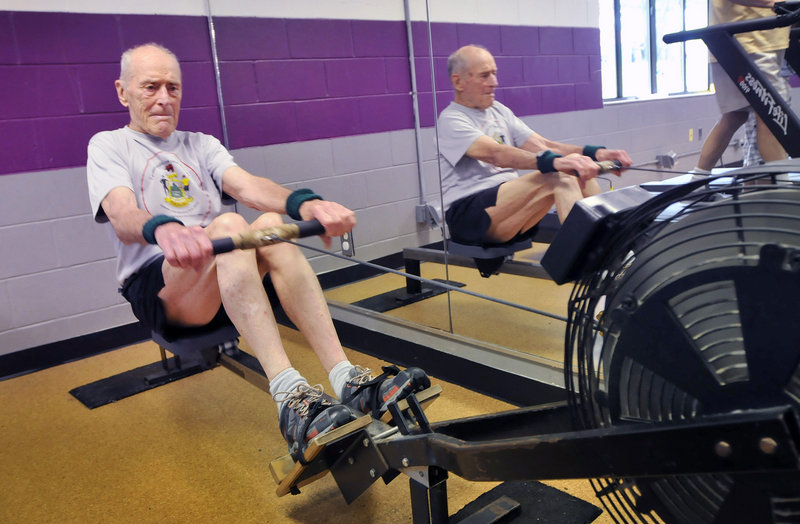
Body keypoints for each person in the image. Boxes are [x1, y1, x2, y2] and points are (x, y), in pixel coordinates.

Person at [87, 43, 429, 458]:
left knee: (269, 226)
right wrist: (163, 229)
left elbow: (246, 185)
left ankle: (347, 380)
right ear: (123, 92)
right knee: (231, 225)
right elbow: (121, 213)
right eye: (150, 87)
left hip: (222, 271)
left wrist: (305, 204)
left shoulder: (200, 144)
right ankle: (290, 399)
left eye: (173, 88)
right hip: (161, 289)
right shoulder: (109, 145)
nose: (164, 99)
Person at [437, 45, 633, 250]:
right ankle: (589, 257)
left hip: (506, 207)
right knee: (559, 176)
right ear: (458, 82)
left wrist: (594, 153)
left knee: (578, 172)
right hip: (469, 217)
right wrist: (554, 163)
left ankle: (618, 246)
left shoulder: (498, 111)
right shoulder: (451, 119)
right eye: (484, 76)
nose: (494, 83)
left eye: (494, 74)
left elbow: (543, 145)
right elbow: (496, 154)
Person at [695, 0, 790, 172]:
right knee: (771, 113)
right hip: (748, 42)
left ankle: (698, 178)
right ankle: (781, 183)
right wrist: (773, 3)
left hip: (767, 38)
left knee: (735, 115)